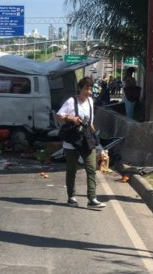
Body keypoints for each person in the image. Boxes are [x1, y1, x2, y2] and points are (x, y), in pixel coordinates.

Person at [56, 76, 106, 209]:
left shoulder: (90, 101)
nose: (88, 92)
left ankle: (92, 198)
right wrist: (71, 118)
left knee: (91, 169)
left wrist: (96, 140)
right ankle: (71, 197)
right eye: (86, 89)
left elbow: (90, 123)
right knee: (71, 170)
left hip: (86, 139)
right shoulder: (71, 102)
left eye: (90, 89)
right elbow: (58, 116)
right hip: (71, 140)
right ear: (80, 88)